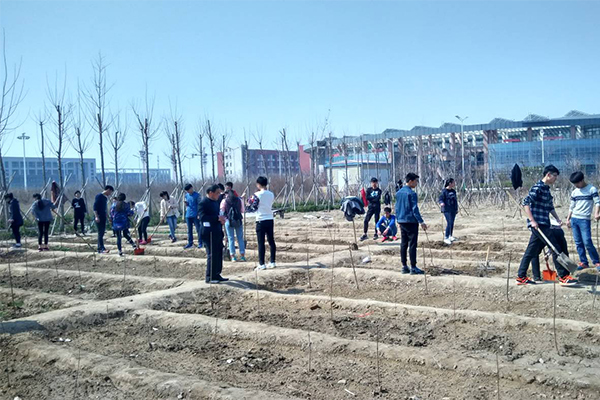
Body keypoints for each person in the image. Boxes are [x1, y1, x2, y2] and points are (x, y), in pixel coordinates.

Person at [517, 165, 577, 286]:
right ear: (548, 175)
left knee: (531, 251)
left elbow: (550, 207)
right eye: (555, 176)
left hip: (545, 223)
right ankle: (563, 277)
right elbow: (525, 203)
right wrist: (532, 220)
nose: (556, 179)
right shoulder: (537, 188)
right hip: (538, 225)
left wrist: (557, 218)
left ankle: (521, 276)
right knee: (555, 248)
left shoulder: (546, 189)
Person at [566, 171, 600, 270]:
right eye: (574, 184)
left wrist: (596, 213)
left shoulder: (592, 189)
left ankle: (597, 262)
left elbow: (597, 202)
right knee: (578, 242)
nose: (576, 185)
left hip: (584, 219)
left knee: (587, 241)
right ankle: (584, 262)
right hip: (574, 219)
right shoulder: (574, 192)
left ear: (582, 180)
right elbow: (572, 206)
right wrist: (568, 219)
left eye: (577, 183)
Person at [395, 173, 427, 275]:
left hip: (402, 220)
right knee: (412, 244)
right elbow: (414, 209)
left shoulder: (398, 193)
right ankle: (413, 267)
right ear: (411, 181)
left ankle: (404, 266)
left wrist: (398, 220)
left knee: (404, 243)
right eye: (416, 181)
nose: (417, 183)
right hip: (411, 221)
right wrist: (421, 221)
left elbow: (396, 208)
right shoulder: (411, 194)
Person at [199, 184, 227, 283]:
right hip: (208, 232)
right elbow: (202, 217)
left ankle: (217, 274)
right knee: (212, 254)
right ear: (211, 193)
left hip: (217, 231)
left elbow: (218, 215)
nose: (219, 195)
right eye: (217, 193)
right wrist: (216, 218)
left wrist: (221, 220)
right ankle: (210, 276)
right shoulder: (203, 203)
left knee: (219, 253)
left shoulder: (215, 202)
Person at [248, 176, 276, 270]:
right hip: (270, 218)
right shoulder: (271, 194)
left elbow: (252, 207)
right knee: (271, 241)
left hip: (260, 219)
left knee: (261, 242)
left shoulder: (256, 195)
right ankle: (272, 261)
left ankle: (261, 264)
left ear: (258, 184)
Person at [221, 188, 246, 262]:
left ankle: (233, 256)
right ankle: (242, 256)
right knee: (240, 238)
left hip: (228, 221)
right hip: (238, 220)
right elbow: (242, 210)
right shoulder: (239, 200)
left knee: (230, 238)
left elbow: (222, 211)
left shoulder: (224, 201)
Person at [94, 185, 114, 254]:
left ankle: (101, 248)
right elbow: (95, 207)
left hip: (103, 217)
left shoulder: (105, 198)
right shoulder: (99, 196)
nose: (110, 194)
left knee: (102, 233)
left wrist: (108, 217)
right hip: (99, 216)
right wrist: (96, 216)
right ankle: (101, 249)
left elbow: (105, 209)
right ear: (108, 190)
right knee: (100, 233)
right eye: (110, 192)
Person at [439, 178, 458, 245]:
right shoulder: (444, 191)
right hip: (446, 210)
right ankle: (446, 237)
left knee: (452, 223)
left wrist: (456, 208)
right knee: (449, 222)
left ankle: (450, 235)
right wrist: (441, 203)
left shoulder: (453, 191)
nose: (454, 184)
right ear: (450, 183)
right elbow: (440, 199)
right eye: (453, 182)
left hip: (453, 209)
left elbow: (455, 200)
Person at [184, 183, 202, 249]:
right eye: (187, 191)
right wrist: (186, 204)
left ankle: (200, 242)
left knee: (198, 229)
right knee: (189, 230)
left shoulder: (197, 195)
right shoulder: (186, 195)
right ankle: (190, 243)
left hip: (195, 214)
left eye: (188, 190)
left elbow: (200, 205)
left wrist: (199, 214)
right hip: (188, 214)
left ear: (191, 188)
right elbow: (187, 204)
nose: (188, 191)